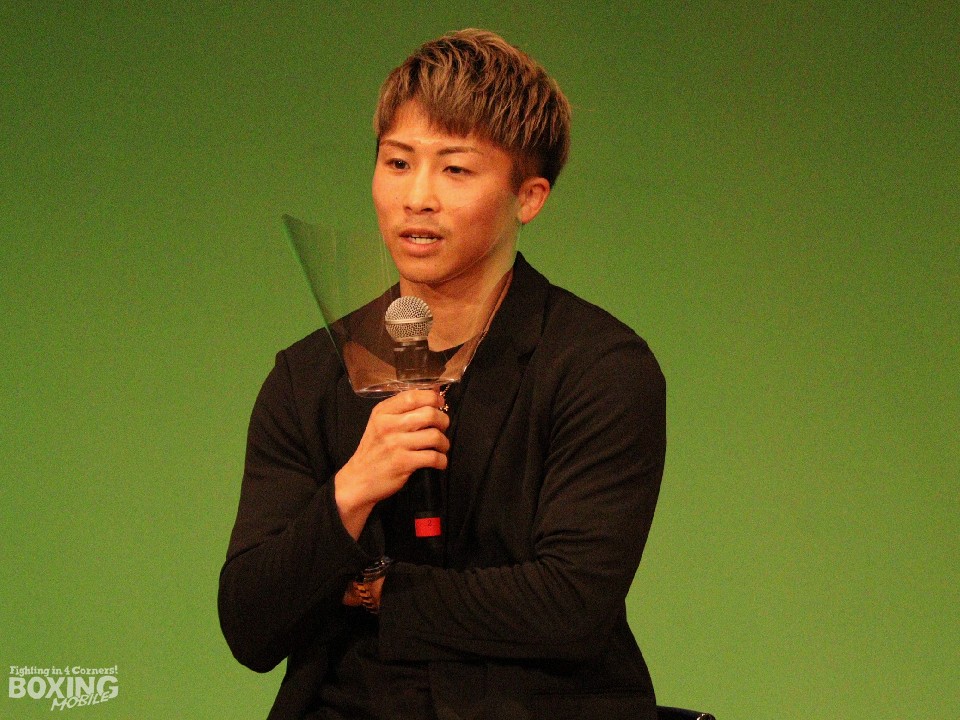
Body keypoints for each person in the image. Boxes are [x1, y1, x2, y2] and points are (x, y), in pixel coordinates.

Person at [219, 28, 666, 720]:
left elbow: (571, 605)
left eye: (455, 170)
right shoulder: (309, 377)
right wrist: (351, 490)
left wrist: (379, 590)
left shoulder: (598, 366)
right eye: (398, 163)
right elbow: (250, 624)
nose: (417, 197)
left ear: (529, 197)